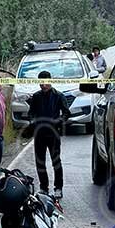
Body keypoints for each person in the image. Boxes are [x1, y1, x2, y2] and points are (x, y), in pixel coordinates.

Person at [27, 70, 70, 200]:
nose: (44, 85)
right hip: (39, 133)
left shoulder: (58, 96)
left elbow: (66, 113)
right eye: (41, 83)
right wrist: (33, 122)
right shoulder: (36, 96)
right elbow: (30, 113)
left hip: (53, 133)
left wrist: (57, 122)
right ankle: (43, 187)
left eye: (46, 83)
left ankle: (58, 188)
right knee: (40, 161)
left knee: (56, 161)